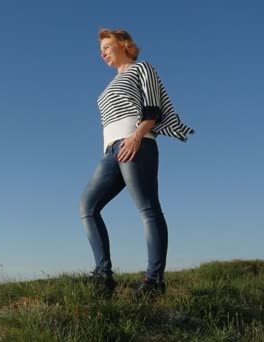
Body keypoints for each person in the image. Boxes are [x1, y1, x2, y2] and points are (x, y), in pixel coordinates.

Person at [79, 29, 194, 298]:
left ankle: (154, 282)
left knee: (147, 209)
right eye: (101, 50)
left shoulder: (142, 68)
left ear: (124, 45)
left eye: (107, 46)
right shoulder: (109, 84)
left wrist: (136, 137)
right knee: (87, 206)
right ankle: (103, 276)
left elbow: (154, 109)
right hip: (111, 151)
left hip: (137, 142)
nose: (102, 52)